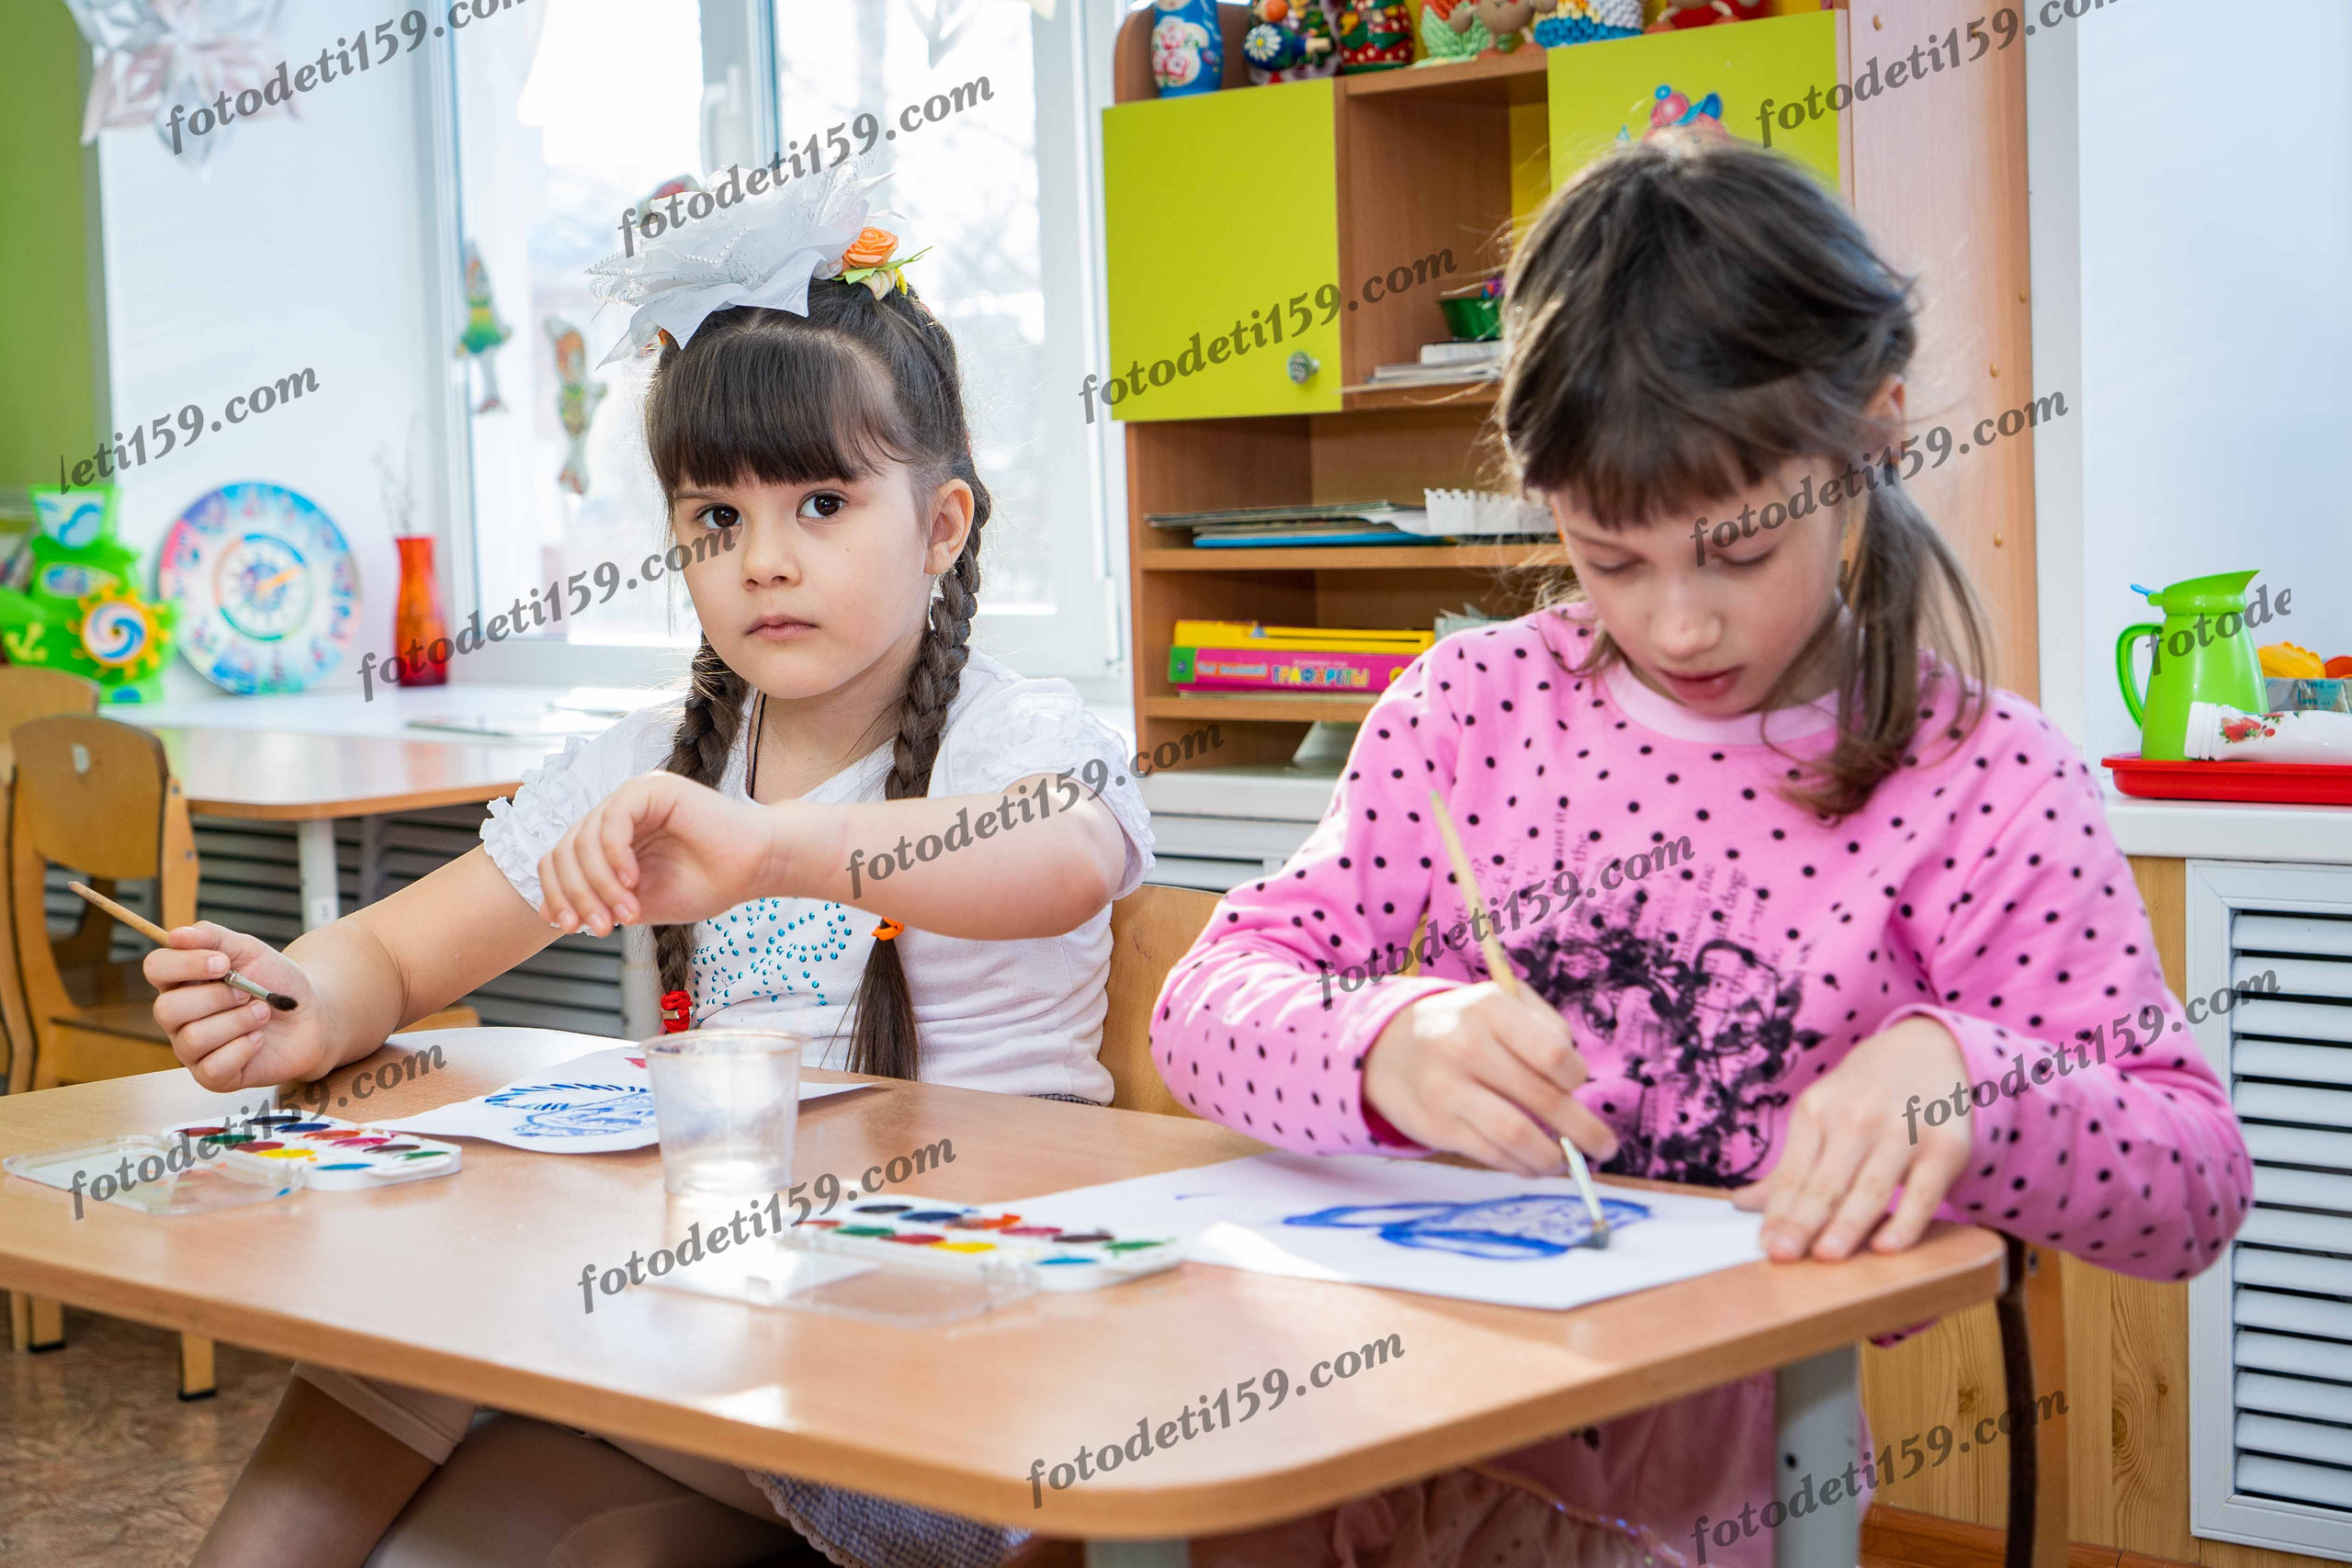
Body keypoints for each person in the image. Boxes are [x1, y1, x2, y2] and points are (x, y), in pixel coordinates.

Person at [1150, 136, 2249, 1566]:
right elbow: (1206, 1001)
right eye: (1611, 557)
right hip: (1384, 1435)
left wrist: (1978, 1076)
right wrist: (1384, 1041)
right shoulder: (1470, 712)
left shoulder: (1981, 776)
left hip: (1716, 1508)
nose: (1678, 627)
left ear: (1873, 438)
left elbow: (2191, 1184)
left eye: (1738, 551)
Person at [147, 169, 1151, 1568]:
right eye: (714, 522)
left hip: (974, 1375)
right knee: (470, 1507)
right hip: (726, 1335)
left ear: (942, 527)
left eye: (820, 504)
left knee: (459, 1308)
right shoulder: (647, 756)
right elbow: (394, 954)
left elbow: (1054, 863)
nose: (762, 563)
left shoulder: (1024, 736)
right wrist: (296, 996)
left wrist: (776, 850)